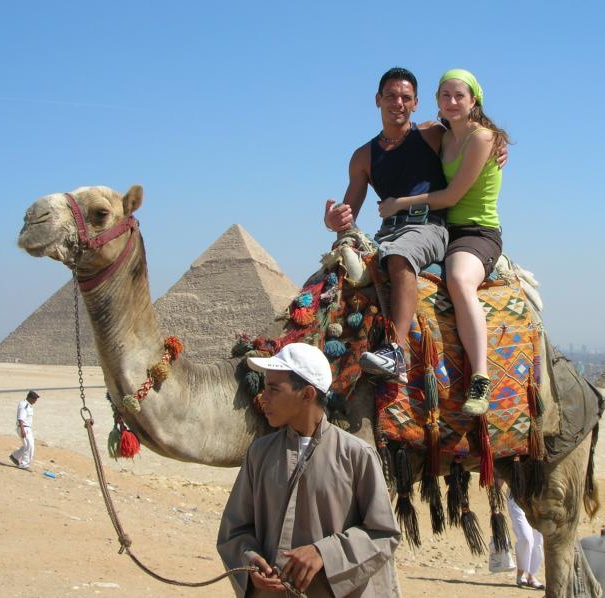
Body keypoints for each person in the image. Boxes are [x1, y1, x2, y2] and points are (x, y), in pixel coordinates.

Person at [324, 67, 506, 385]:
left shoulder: (431, 134)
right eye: (391, 96)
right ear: (378, 99)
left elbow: (472, 129)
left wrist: (498, 146)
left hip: (429, 227)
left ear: (416, 103)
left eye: (406, 97)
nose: (398, 103)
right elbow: (348, 213)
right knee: (340, 271)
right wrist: (333, 221)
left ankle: (396, 350)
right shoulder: (363, 157)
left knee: (399, 255)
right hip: (388, 231)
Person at [216, 343, 401, 597]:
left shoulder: (356, 455)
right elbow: (235, 530)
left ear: (306, 394)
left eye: (273, 389)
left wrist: (324, 553)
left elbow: (383, 533)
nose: (263, 398)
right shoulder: (259, 454)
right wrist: (249, 561)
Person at [377, 68, 509, 416]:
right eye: (445, 96)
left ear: (473, 100)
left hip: (475, 232)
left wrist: (398, 204)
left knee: (458, 279)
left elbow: (451, 195)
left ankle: (480, 376)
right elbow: (397, 137)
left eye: (459, 96)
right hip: (444, 230)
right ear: (435, 102)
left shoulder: (481, 138)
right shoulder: (441, 134)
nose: (451, 102)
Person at [508, 494, 544, 590]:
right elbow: (498, 482)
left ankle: (532, 576)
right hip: (517, 498)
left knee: (538, 540)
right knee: (526, 538)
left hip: (538, 499)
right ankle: (521, 572)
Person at [9, 390, 39, 470]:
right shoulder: (24, 405)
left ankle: (15, 456)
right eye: (35, 399)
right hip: (24, 427)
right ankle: (24, 464)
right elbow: (20, 418)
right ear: (30, 397)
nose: (35, 401)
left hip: (26, 427)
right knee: (30, 446)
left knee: (27, 445)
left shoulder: (27, 405)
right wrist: (22, 430)